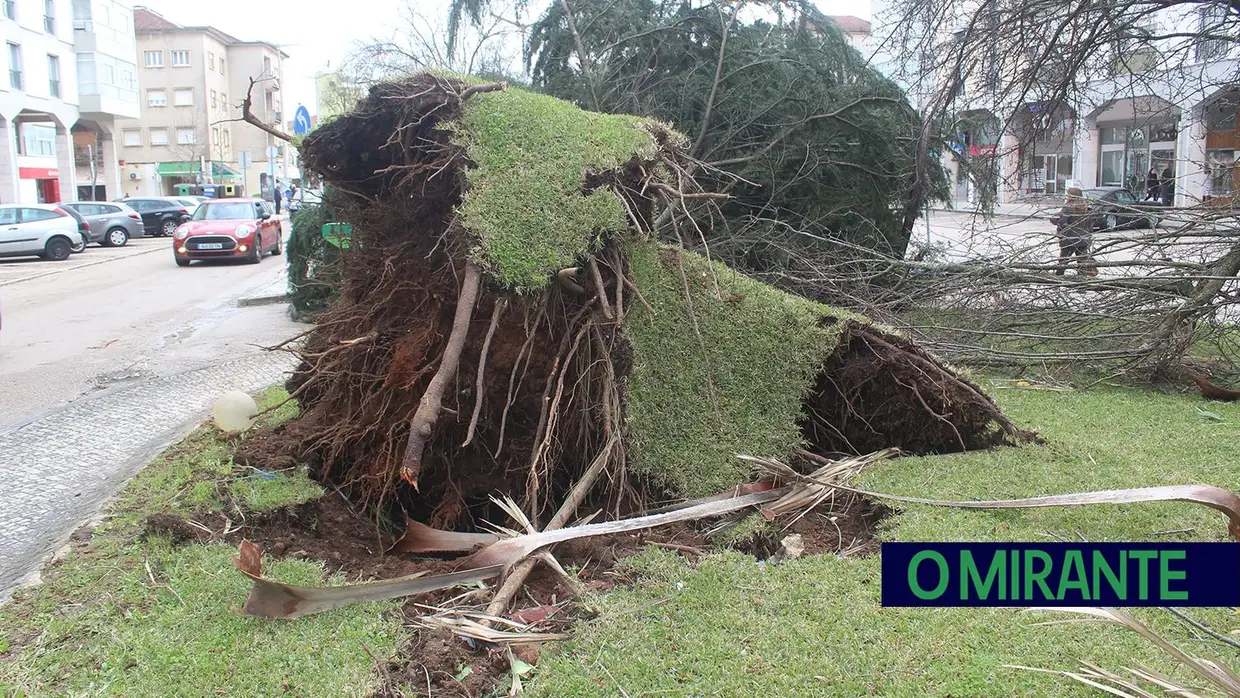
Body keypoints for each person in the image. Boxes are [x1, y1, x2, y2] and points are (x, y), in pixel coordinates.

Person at [1055, 187, 1098, 276]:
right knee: (1082, 262)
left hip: (1069, 239)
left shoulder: (1068, 207)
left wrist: (1059, 233)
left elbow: (1062, 223)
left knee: (1063, 262)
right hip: (1083, 239)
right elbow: (1090, 224)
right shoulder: (1087, 207)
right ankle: (1081, 282)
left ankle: (1057, 280)